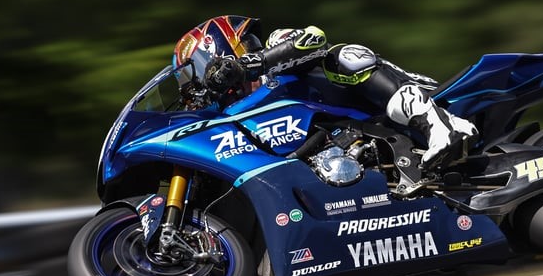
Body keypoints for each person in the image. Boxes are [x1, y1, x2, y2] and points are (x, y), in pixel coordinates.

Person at [173, 16, 477, 172]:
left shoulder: (275, 51)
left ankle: (440, 126)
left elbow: (314, 39)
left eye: (192, 72)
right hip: (358, 153)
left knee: (342, 56)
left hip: (401, 104)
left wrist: (248, 65)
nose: (195, 86)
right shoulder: (238, 119)